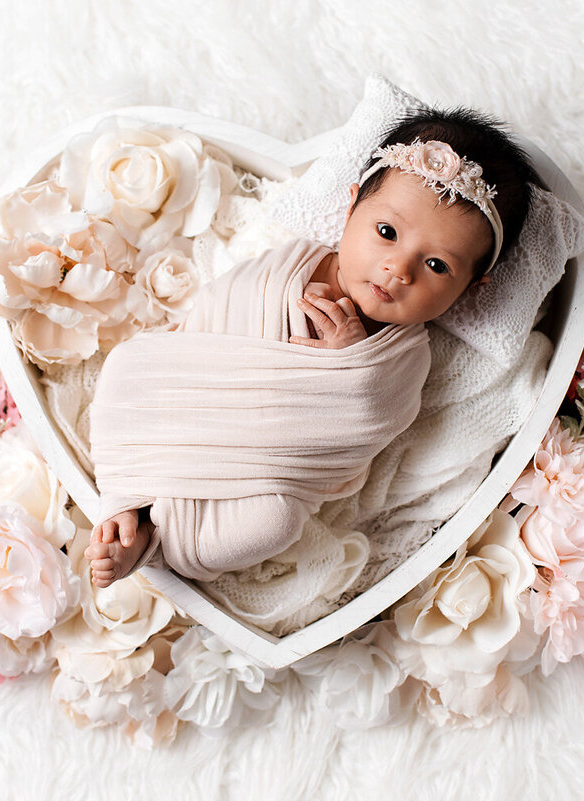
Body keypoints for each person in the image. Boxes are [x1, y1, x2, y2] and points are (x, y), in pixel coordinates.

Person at [85, 107, 540, 589]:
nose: (398, 270)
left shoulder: (404, 355)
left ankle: (156, 540)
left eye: (436, 265)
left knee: (273, 523)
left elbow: (373, 421)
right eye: (386, 233)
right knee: (128, 367)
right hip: (186, 402)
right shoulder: (290, 262)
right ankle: (127, 500)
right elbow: (213, 316)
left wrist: (347, 366)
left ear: (469, 290)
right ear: (349, 210)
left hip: (260, 474)